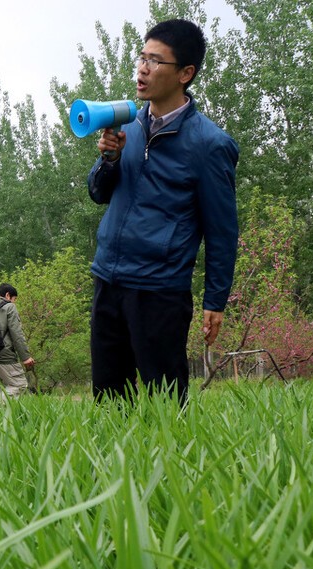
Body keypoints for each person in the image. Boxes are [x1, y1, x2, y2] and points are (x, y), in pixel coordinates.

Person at [87, 18, 239, 404]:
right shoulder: (128, 124)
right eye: (142, 58)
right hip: (108, 277)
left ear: (185, 73)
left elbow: (222, 231)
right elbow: (98, 194)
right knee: (109, 400)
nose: (142, 69)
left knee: (165, 404)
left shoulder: (210, 145)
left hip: (159, 289)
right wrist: (109, 160)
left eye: (155, 61)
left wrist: (215, 300)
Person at [0, 284, 35, 404]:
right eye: (14, 299)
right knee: (19, 385)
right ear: (7, 295)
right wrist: (25, 357)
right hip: (4, 355)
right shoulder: (9, 306)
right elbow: (17, 334)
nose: (14, 302)